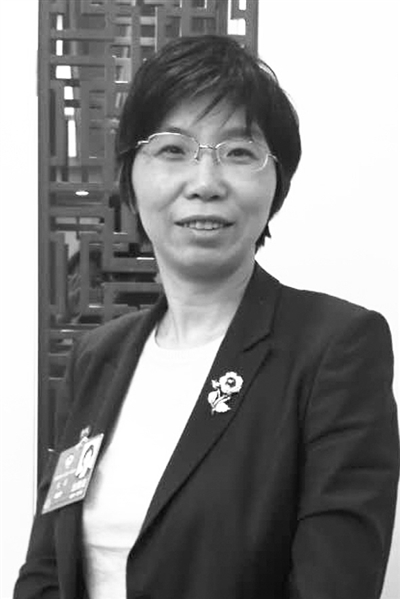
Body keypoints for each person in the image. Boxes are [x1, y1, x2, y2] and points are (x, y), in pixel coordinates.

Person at [14, 34, 399, 599]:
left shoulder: (336, 349)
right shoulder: (97, 357)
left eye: (239, 153)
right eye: (173, 150)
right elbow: (47, 568)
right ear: (130, 178)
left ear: (277, 182)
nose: (205, 183)